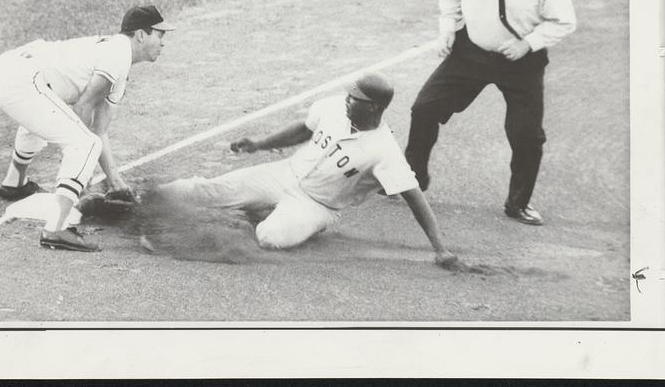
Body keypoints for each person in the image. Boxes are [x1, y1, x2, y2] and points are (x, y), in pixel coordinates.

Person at [155, 73, 459, 269]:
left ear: (374, 108)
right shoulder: (334, 106)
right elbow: (302, 130)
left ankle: (299, 223)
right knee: (207, 190)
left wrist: (440, 248)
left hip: (316, 204)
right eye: (350, 94)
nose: (347, 100)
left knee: (269, 238)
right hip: (283, 174)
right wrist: (259, 144)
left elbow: (415, 198)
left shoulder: (385, 152)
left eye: (355, 99)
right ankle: (147, 196)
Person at [404, 0, 576, 226]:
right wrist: (448, 30)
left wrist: (528, 43)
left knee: (527, 136)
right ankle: (412, 179)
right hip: (472, 52)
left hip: (521, 63)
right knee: (424, 108)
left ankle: (518, 204)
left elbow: (564, 21)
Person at [0, 5, 176, 251]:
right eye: (159, 35)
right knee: (84, 144)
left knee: (48, 115)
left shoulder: (118, 62)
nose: (163, 44)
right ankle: (55, 230)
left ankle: (14, 184)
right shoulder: (118, 54)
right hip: (19, 78)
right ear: (141, 35)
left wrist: (116, 182)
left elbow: (100, 129)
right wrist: (80, 173)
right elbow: (84, 109)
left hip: (11, 71)